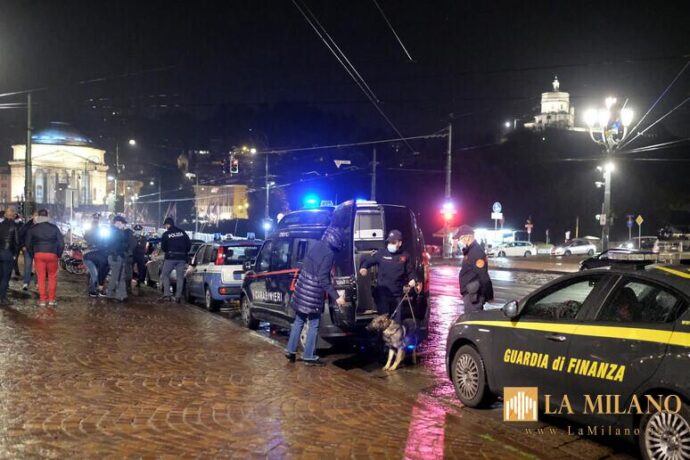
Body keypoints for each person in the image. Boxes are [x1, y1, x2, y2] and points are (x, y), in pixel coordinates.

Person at [285, 225, 346, 366]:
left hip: (302, 287)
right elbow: (323, 278)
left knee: (299, 320)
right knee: (314, 323)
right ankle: (309, 356)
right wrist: (337, 297)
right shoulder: (329, 253)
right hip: (313, 292)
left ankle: (290, 350)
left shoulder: (316, 245)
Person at [359, 229, 418, 322]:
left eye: (393, 242)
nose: (390, 244)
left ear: (400, 243)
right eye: (389, 242)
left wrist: (413, 279)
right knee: (383, 323)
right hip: (383, 295)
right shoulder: (381, 253)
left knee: (396, 323)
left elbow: (411, 271)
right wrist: (363, 268)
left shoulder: (405, 256)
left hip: (397, 295)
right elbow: (368, 261)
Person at [25, 209, 64, 307]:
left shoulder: (33, 228)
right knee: (52, 277)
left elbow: (28, 244)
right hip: (52, 254)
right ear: (47, 216)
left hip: (38, 254)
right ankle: (51, 300)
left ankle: (42, 300)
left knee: (41, 277)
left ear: (38, 216)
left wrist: (33, 254)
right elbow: (61, 243)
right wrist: (58, 255)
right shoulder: (54, 228)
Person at [456, 225, 494, 313]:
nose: (459, 241)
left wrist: (489, 295)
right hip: (471, 293)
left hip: (474, 295)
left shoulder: (476, 252)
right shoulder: (471, 250)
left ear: (468, 237)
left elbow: (483, 275)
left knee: (472, 318)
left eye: (460, 238)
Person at [160, 217, 191, 302]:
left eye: (165, 225)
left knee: (165, 275)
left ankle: (167, 295)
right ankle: (178, 297)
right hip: (182, 258)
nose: (165, 227)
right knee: (180, 277)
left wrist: (168, 251)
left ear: (168, 225)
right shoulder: (182, 232)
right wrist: (184, 252)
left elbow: (163, 248)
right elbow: (189, 245)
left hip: (170, 257)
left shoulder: (166, 234)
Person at [83, 215, 109, 297]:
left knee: (96, 273)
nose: (96, 220)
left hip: (97, 252)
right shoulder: (89, 230)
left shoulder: (100, 230)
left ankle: (96, 288)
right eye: (95, 218)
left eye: (97, 219)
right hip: (90, 254)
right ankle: (92, 290)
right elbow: (86, 238)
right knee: (94, 273)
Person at [105, 215, 129, 302]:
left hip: (118, 256)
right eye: (123, 223)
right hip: (116, 256)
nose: (124, 226)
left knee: (120, 276)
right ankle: (111, 295)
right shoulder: (116, 232)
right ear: (118, 223)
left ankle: (122, 295)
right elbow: (117, 245)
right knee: (116, 277)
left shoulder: (113, 231)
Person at [0, 207, 19, 305]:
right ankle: (2, 298)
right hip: (8, 254)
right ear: (13, 215)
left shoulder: (0, 224)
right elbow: (17, 242)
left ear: (5, 215)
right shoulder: (14, 226)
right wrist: (15, 254)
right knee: (5, 277)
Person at [18, 210, 38, 290]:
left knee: (38, 267)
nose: (36, 217)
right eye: (35, 215)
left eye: (38, 215)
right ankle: (26, 283)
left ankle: (37, 282)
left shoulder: (41, 225)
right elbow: (20, 235)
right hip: (28, 249)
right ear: (32, 216)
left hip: (38, 249)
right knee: (27, 266)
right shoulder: (26, 225)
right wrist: (23, 245)